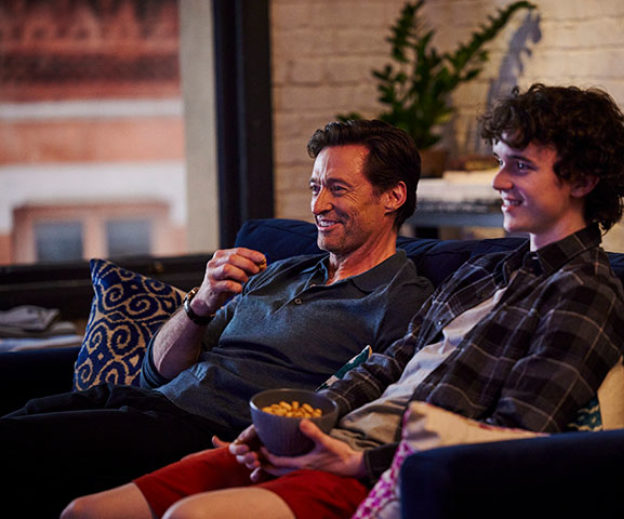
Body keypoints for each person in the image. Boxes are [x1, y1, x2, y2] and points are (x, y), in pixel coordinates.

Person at [63, 83, 624, 519]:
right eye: (500, 164)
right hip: (333, 438)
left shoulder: (586, 293)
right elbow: (387, 365)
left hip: (384, 468)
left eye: (520, 166)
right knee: (86, 511)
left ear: (582, 180)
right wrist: (291, 426)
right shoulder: (484, 270)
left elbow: (516, 439)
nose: (497, 182)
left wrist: (358, 460)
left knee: (189, 516)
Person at [0, 119, 434, 517]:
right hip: (140, 401)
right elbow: (156, 373)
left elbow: (380, 406)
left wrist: (260, 447)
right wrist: (201, 303)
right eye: (314, 187)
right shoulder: (279, 271)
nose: (318, 204)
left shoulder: (401, 299)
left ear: (393, 196)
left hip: (201, 430)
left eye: (337, 189)